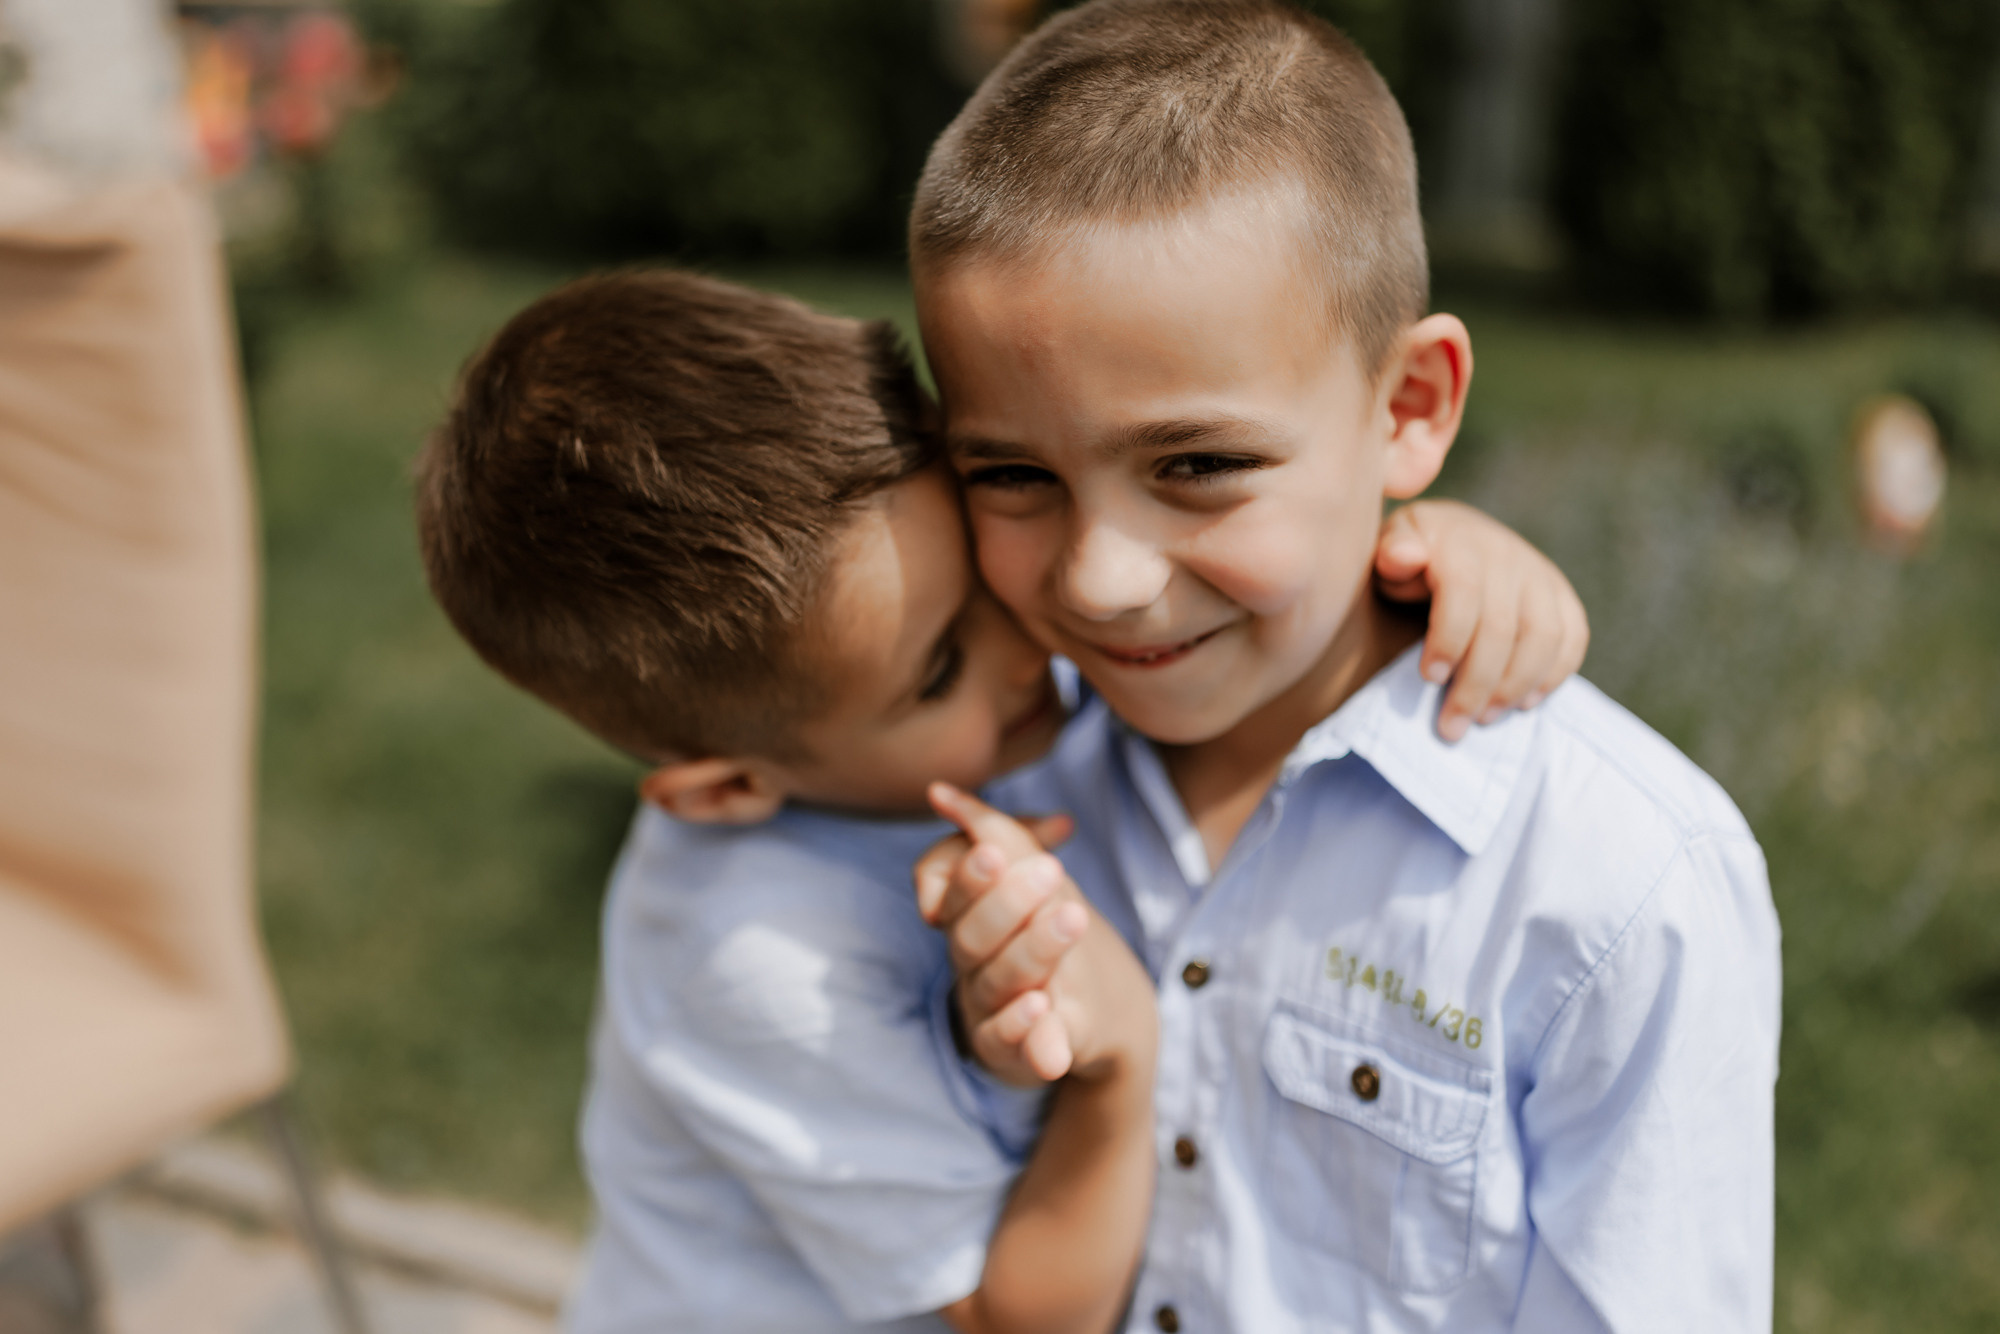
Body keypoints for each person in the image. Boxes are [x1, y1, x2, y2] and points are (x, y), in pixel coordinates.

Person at [413, 268, 1589, 1333]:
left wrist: (1418, 554)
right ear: (727, 786)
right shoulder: (755, 957)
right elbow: (1017, 1317)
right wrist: (1117, 1058)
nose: (1040, 643)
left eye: (982, 574)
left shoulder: (927, 710)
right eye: (940, 666)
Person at [907, 2, 1782, 1330]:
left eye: (1196, 466)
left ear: (1411, 408)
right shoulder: (998, 770)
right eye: (1013, 474)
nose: (1098, 575)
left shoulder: (1618, 884)